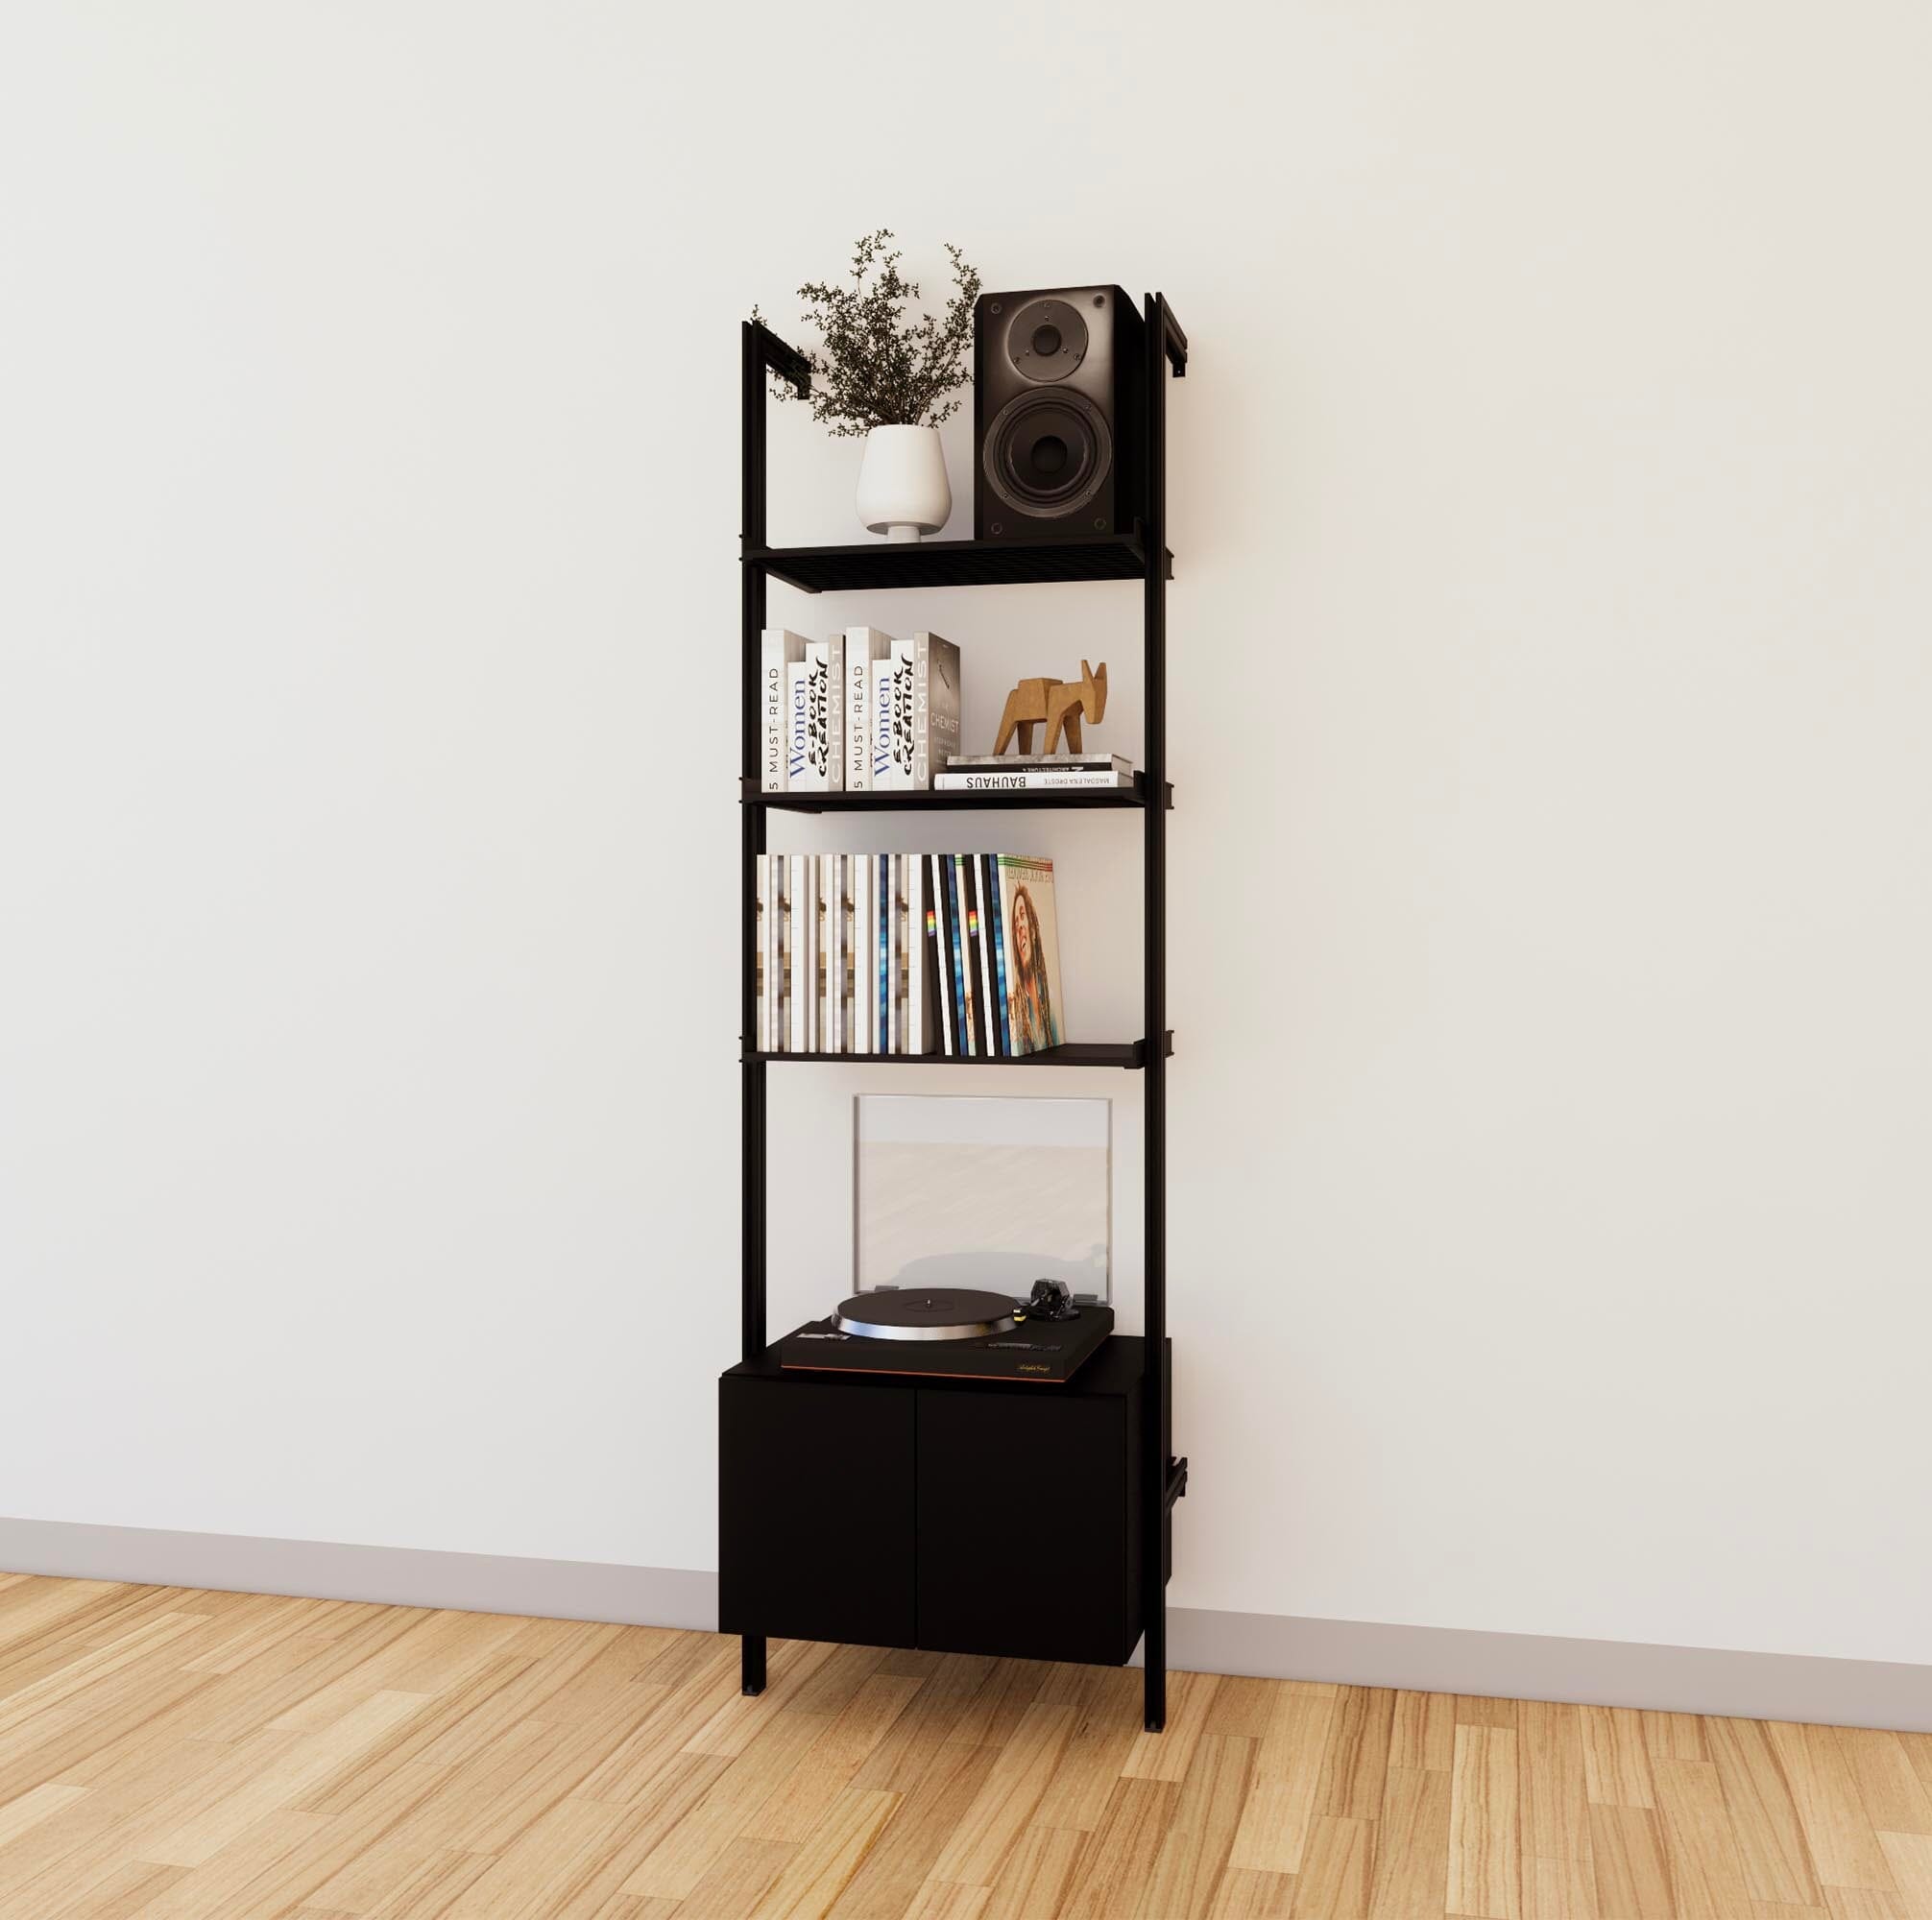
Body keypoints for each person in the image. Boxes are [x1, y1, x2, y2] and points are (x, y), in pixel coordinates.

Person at [1006, 883, 1057, 1053]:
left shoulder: (1049, 1000)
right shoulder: (1016, 1007)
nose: (1020, 926)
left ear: (1033, 931)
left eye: (1022, 916)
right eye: (1016, 922)